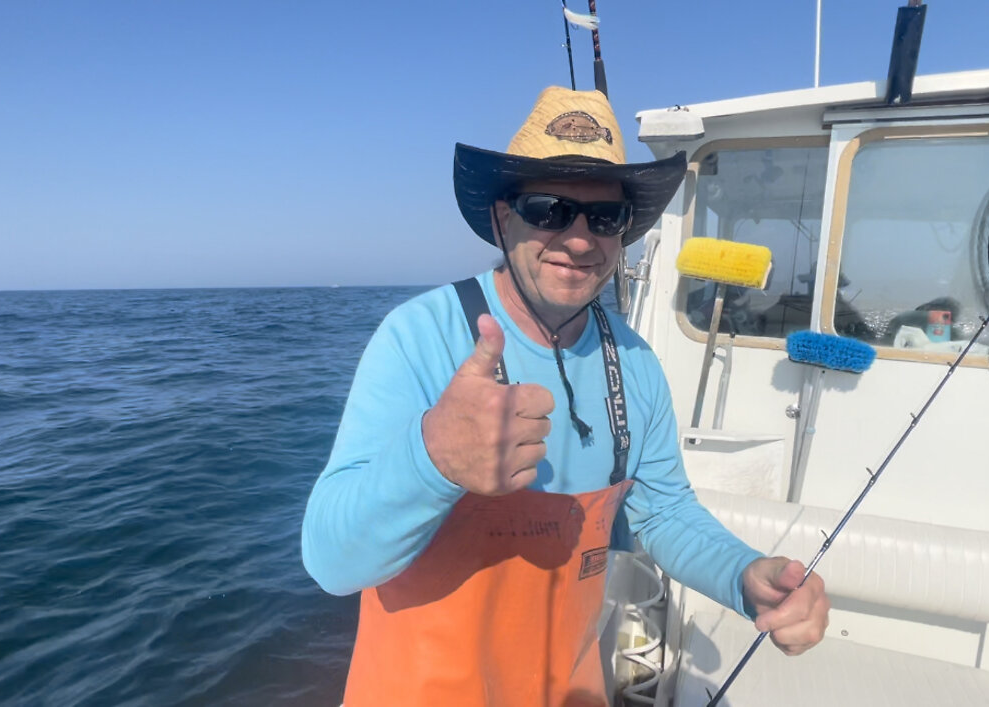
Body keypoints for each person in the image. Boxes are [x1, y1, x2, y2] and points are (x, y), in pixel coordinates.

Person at [301, 86, 829, 707]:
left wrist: (746, 578)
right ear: (503, 217)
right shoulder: (420, 335)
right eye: (548, 208)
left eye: (603, 217)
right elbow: (332, 562)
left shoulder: (635, 363)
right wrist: (432, 457)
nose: (580, 240)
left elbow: (662, 513)